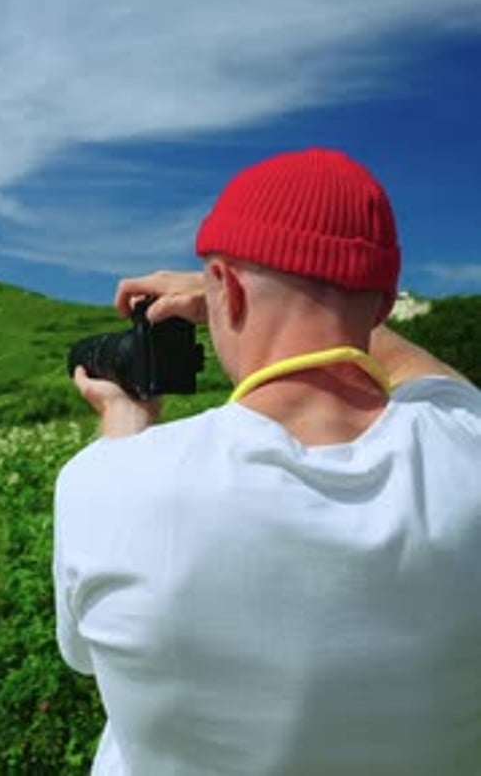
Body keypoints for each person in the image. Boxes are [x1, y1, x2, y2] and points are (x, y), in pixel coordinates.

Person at [53, 148, 481, 776]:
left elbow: (83, 657)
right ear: (386, 306)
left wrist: (125, 427)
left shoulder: (106, 482)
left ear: (224, 287)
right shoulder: (464, 449)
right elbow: (445, 387)